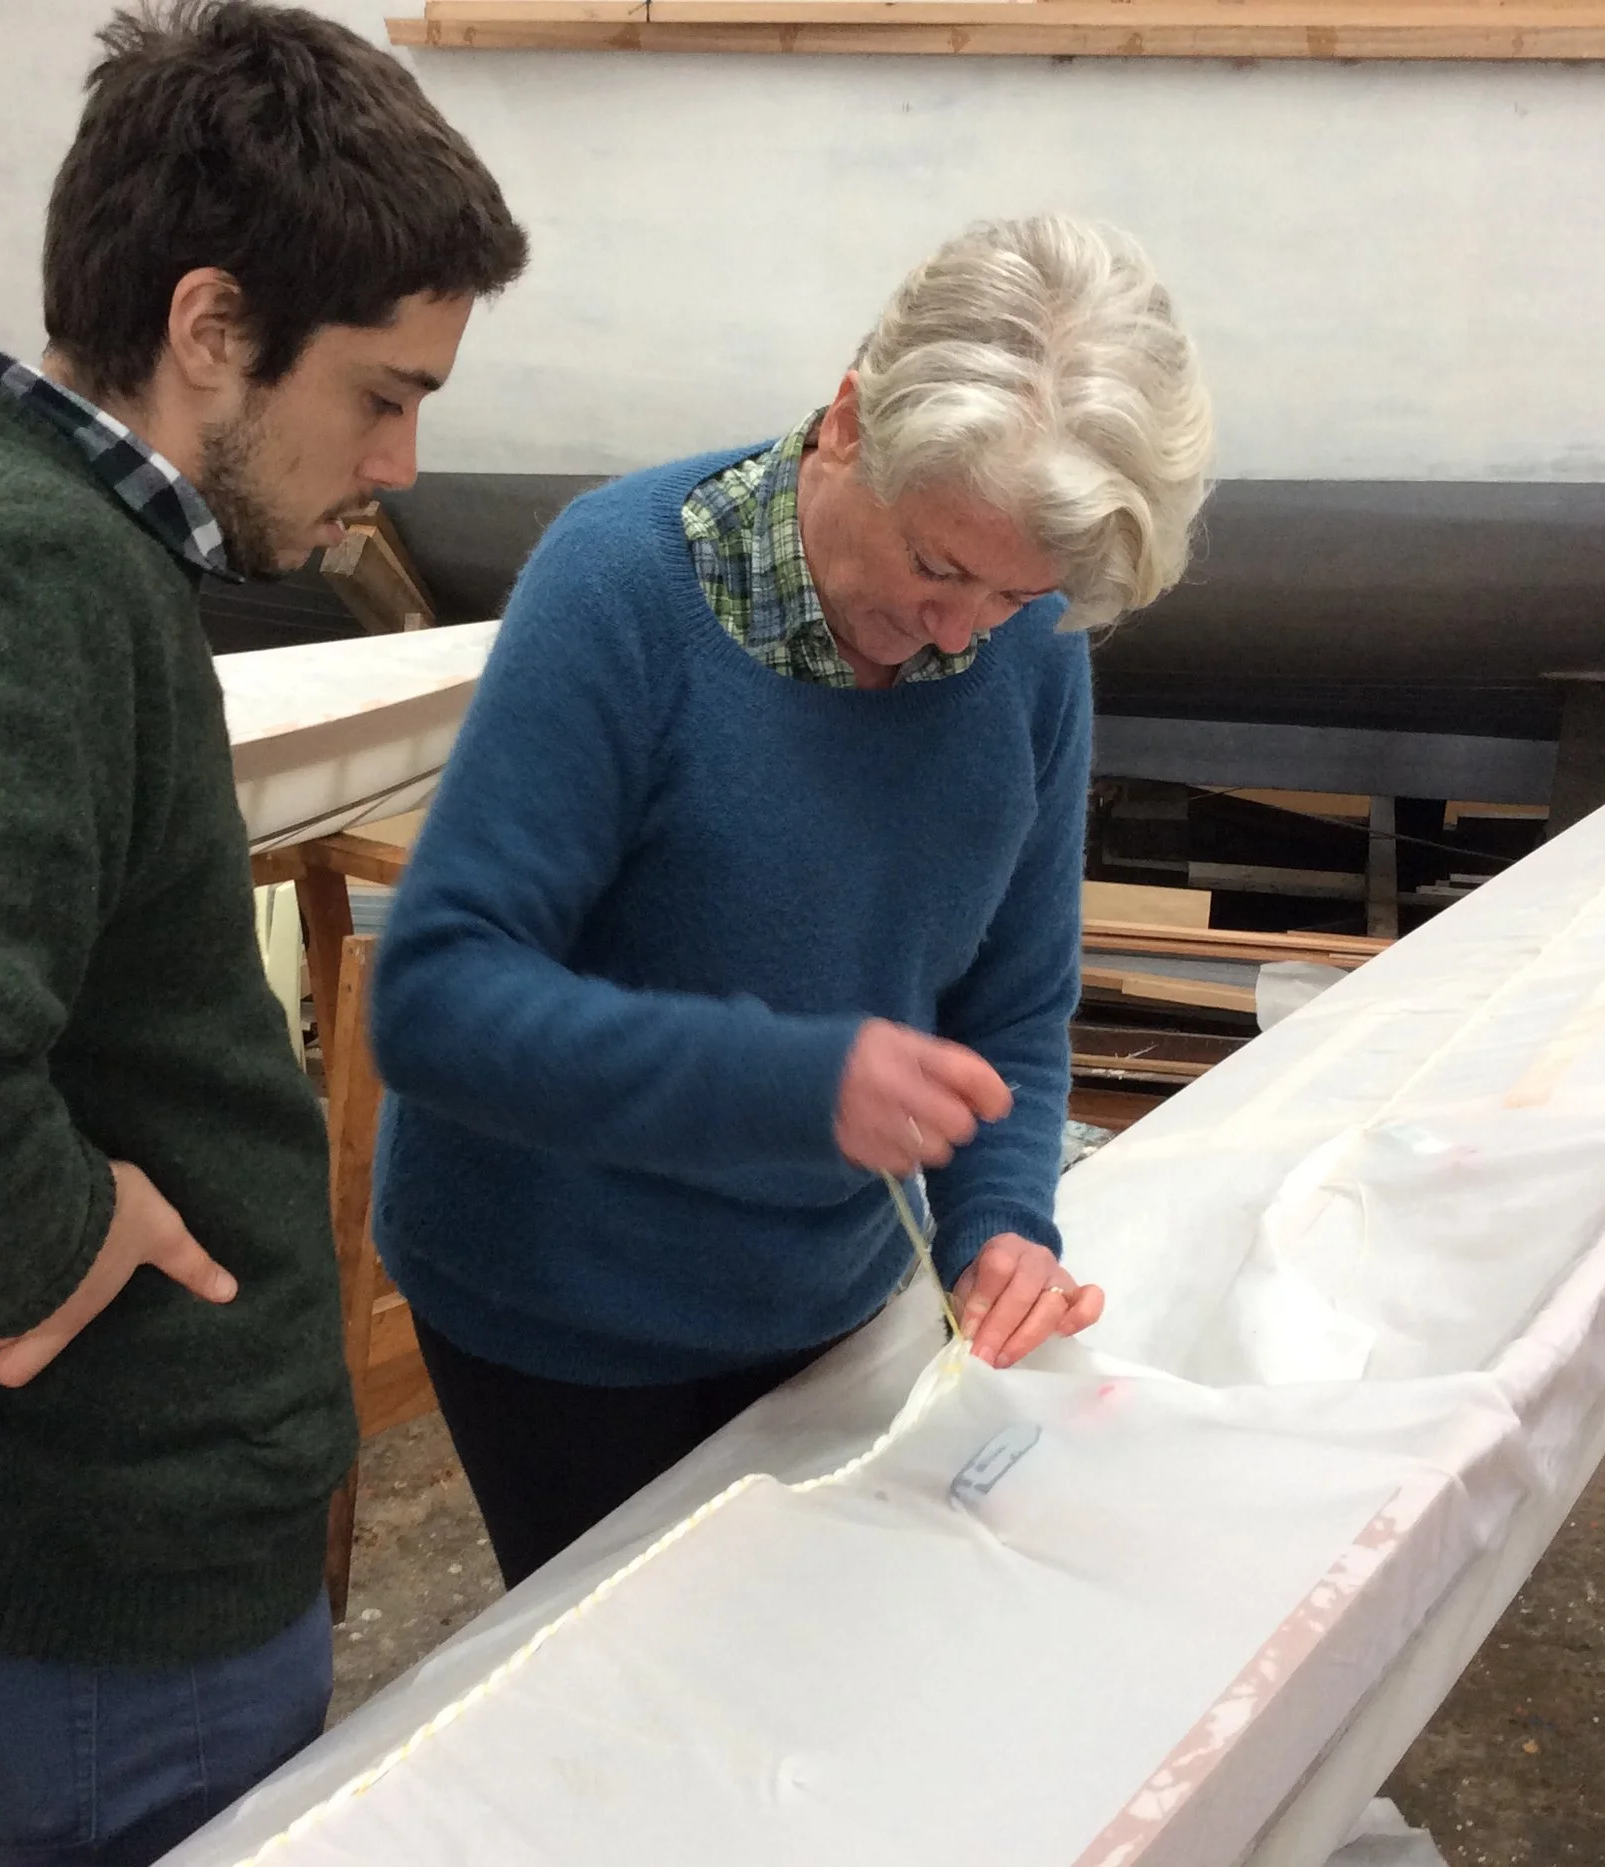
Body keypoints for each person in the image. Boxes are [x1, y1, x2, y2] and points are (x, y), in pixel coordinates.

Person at [0, 7, 525, 1862]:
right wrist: (66, 1238)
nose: (394, 464)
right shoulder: (34, 571)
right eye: (381, 393)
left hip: (5, 1550)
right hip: (105, 1562)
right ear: (212, 327)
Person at [368, 214, 1212, 1588]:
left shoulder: (1022, 651)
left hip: (826, 1306)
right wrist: (795, 1084)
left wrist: (1000, 1224)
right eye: (939, 567)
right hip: (562, 1317)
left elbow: (1013, 1000)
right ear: (846, 423)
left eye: (1020, 593)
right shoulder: (623, 590)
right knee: (628, 1696)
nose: (964, 632)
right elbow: (436, 1000)